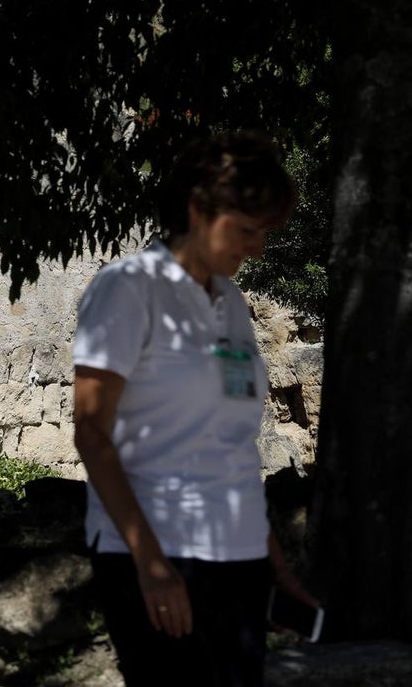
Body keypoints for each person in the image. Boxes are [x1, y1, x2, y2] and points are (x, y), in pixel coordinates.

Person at [71, 133, 317, 686]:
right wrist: (152, 564)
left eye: (265, 232)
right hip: (161, 555)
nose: (257, 247)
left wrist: (275, 566)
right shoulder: (128, 289)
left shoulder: (229, 302)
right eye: (247, 229)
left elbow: (234, 448)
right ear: (198, 210)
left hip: (239, 557)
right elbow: (91, 433)